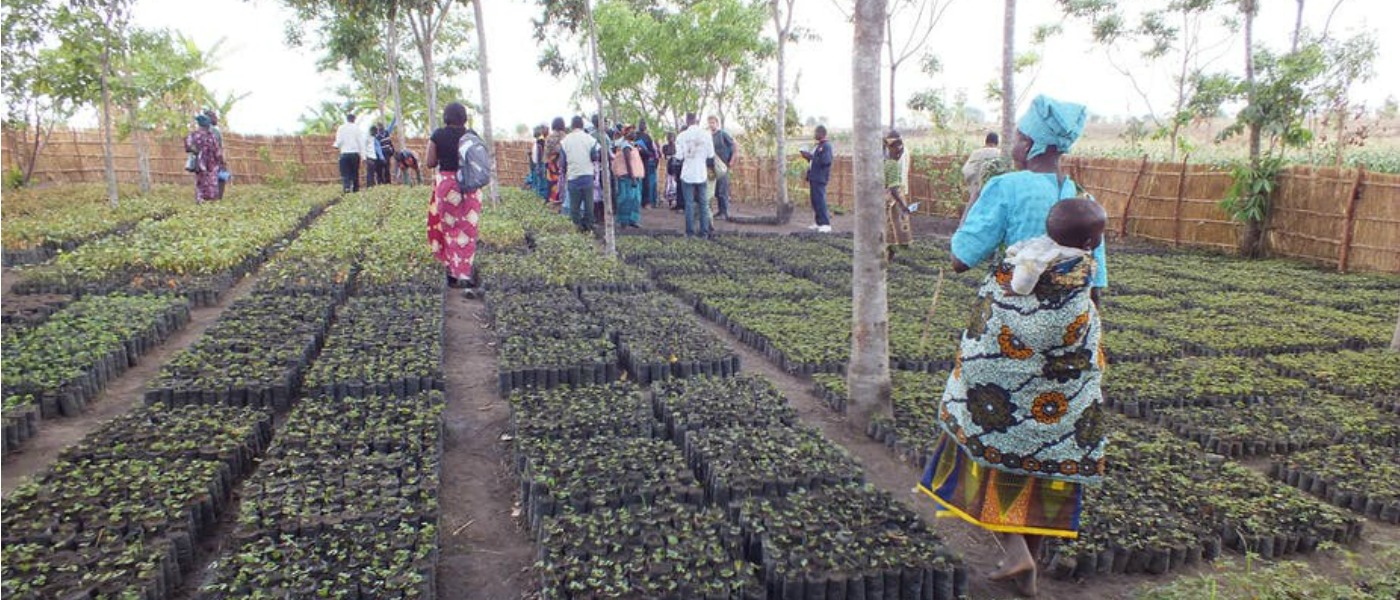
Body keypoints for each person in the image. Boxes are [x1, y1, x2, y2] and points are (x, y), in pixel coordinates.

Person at [917, 95, 1107, 598]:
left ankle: (1015, 552)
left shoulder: (1004, 187)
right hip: (1068, 350)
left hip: (1008, 344)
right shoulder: (1083, 198)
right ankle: (1028, 556)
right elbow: (1098, 283)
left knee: (990, 430)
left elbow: (961, 256)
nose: (1016, 144)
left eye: (1020, 137)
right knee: (1048, 443)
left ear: (1033, 142)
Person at [425, 102, 484, 298]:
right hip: (470, 186)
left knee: (450, 229)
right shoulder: (472, 136)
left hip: (448, 185)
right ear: (464, 119)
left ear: (445, 118)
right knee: (468, 230)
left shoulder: (438, 135)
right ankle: (465, 274)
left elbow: (429, 163)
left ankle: (452, 273)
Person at [1005, 198, 1107, 296]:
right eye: (1101, 233)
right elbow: (1027, 268)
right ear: (1087, 243)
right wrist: (1019, 290)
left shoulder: (1042, 246)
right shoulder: (1042, 255)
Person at [675, 112, 716, 238]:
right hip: (701, 173)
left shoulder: (682, 136)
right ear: (697, 121)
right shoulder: (706, 135)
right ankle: (704, 232)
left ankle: (690, 232)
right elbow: (710, 155)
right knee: (703, 204)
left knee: (689, 204)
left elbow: (679, 156)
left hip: (687, 173)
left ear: (687, 122)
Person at [560, 115, 598, 232]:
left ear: (572, 126)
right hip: (587, 175)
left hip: (573, 176)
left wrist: (566, 172)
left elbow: (563, 162)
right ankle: (589, 226)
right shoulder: (590, 140)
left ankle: (577, 227)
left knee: (574, 205)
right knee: (588, 204)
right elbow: (594, 157)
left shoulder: (565, 141)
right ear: (582, 125)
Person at [883, 130, 913, 259]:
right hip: (895, 191)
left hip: (892, 191)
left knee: (893, 221)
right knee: (896, 221)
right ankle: (898, 246)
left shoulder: (888, 161)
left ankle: (896, 246)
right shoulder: (895, 160)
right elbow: (894, 185)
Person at [961, 132, 1003, 223]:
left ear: (986, 141)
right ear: (997, 142)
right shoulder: (1000, 154)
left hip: (977, 191)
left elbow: (967, 171)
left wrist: (973, 183)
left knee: (970, 214)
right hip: (996, 192)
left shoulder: (977, 153)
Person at [799, 125, 834, 233]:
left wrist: (811, 157)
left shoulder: (826, 146)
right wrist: (808, 157)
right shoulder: (818, 146)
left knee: (820, 200)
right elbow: (815, 160)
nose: (814, 135)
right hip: (814, 177)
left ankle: (826, 224)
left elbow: (826, 161)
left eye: (816, 133)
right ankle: (819, 222)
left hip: (820, 177)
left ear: (821, 133)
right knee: (815, 200)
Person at [185, 113, 224, 203]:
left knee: (200, 183)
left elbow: (188, 147)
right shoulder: (211, 136)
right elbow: (217, 152)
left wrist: (198, 152)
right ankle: (211, 202)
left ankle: (200, 201)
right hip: (212, 164)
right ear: (207, 125)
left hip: (199, 164)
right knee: (211, 182)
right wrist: (221, 162)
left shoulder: (193, 135)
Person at [613, 126, 644, 228]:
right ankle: (624, 221)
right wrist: (633, 177)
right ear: (626, 134)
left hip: (633, 176)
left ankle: (632, 220)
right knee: (626, 198)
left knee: (635, 199)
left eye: (634, 132)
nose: (634, 133)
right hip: (628, 177)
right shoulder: (626, 146)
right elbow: (628, 162)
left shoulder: (632, 145)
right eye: (631, 132)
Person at [708, 115, 736, 219]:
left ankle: (725, 212)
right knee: (715, 190)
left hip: (723, 166)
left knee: (722, 190)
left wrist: (732, 160)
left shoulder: (722, 134)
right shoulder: (709, 136)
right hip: (713, 167)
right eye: (709, 123)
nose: (711, 125)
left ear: (717, 123)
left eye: (713, 122)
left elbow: (734, 146)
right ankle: (720, 211)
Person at [333, 113, 366, 193]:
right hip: (354, 154)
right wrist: (364, 157)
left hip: (344, 154)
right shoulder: (357, 129)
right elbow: (361, 143)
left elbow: (339, 141)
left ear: (347, 119)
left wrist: (336, 145)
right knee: (354, 172)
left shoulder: (341, 128)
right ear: (354, 119)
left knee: (345, 173)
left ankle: (346, 187)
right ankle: (355, 189)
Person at [203, 109, 229, 199]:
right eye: (214, 117)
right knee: (220, 179)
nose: (216, 119)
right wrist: (223, 161)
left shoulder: (200, 130)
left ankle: (205, 198)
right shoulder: (215, 131)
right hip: (214, 160)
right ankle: (217, 198)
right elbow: (219, 148)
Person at [636, 120, 660, 209]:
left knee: (646, 181)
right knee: (636, 181)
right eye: (641, 124)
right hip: (635, 161)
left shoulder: (647, 137)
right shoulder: (635, 136)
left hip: (645, 161)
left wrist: (644, 151)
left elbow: (652, 152)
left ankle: (646, 202)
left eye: (644, 124)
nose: (642, 126)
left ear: (645, 127)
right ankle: (636, 201)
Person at [545, 117, 568, 209]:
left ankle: (552, 203)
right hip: (561, 165)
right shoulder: (565, 136)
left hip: (551, 165)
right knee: (561, 183)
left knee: (551, 184)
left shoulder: (549, 137)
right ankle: (561, 203)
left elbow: (546, 152)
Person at [373, 118, 398, 186]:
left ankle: (387, 183)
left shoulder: (387, 133)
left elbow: (391, 125)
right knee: (380, 170)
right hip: (381, 154)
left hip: (387, 153)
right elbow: (378, 148)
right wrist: (381, 157)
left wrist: (395, 118)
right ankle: (381, 183)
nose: (380, 129)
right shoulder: (377, 137)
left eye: (380, 127)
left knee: (387, 169)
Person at [663, 131, 682, 210]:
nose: (670, 139)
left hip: (676, 168)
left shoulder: (677, 146)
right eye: (669, 137)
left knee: (675, 184)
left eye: (672, 137)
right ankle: (671, 201)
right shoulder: (665, 147)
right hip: (669, 167)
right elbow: (665, 155)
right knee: (669, 184)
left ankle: (675, 201)